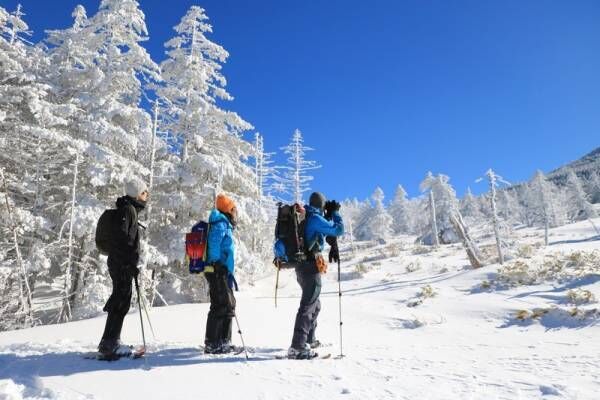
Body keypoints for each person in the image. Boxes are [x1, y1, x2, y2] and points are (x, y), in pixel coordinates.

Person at [288, 192, 344, 359]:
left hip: (302, 268)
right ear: (321, 204)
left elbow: (325, 232)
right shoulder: (314, 219)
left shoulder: (308, 217)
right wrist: (335, 213)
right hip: (309, 267)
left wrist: (328, 215)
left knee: (315, 305)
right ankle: (297, 346)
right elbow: (338, 229)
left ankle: (308, 339)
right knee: (308, 305)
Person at [98, 178, 148, 358]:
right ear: (136, 194)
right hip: (121, 263)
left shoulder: (128, 209)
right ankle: (109, 344)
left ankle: (111, 341)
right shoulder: (128, 210)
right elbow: (123, 240)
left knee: (122, 300)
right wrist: (128, 264)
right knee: (120, 301)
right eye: (144, 192)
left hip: (121, 263)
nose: (146, 195)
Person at [204, 193, 238, 354]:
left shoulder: (224, 224)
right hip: (217, 270)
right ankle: (212, 342)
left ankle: (224, 340)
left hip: (224, 271)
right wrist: (216, 263)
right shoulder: (220, 223)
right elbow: (213, 242)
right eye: (233, 209)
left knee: (228, 304)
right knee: (220, 305)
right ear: (228, 209)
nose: (235, 212)